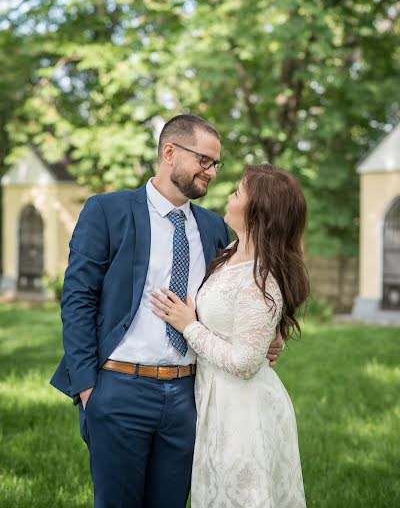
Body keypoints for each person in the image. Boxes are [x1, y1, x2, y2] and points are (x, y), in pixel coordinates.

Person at [50, 115, 284, 508]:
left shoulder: (214, 228)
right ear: (170, 152)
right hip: (118, 389)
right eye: (204, 160)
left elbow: (244, 287)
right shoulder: (107, 211)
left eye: (215, 164)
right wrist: (89, 388)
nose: (211, 172)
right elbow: (77, 299)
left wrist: (269, 330)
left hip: (187, 396)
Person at [151, 163, 309, 508]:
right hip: (216, 400)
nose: (229, 194)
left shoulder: (260, 280)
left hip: (244, 410)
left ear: (256, 213)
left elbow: (245, 363)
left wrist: (187, 325)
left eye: (238, 192)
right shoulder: (230, 253)